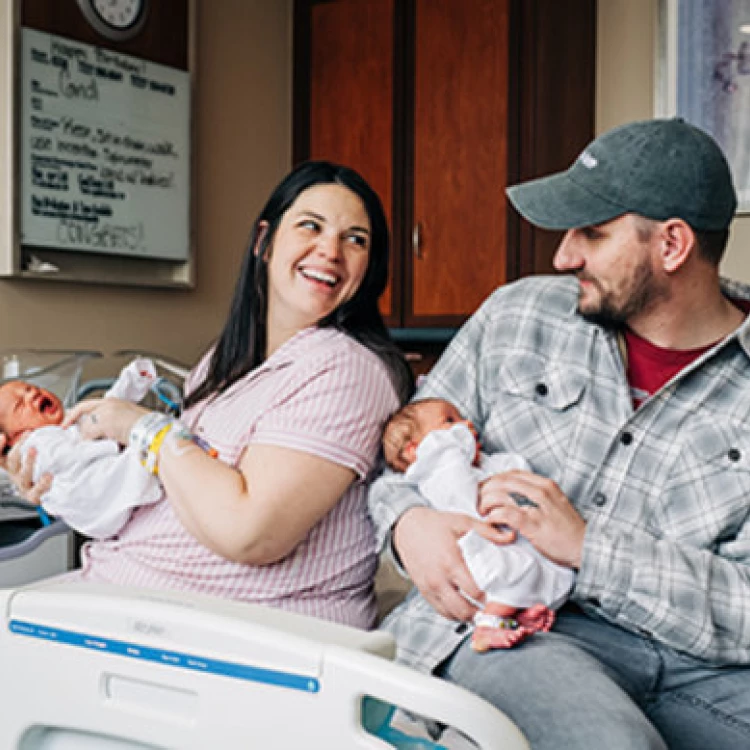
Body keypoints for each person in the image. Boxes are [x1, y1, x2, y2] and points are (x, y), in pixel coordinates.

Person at [368, 118, 750, 749]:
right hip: (522, 635)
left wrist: (588, 547)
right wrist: (408, 528)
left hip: (697, 663)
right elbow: (402, 452)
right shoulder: (517, 316)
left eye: (592, 233)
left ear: (673, 245)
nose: (563, 255)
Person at [4, 161, 413, 629]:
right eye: (310, 226)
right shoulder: (224, 362)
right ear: (264, 242)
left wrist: (138, 426)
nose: (330, 251)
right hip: (137, 596)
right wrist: (67, 478)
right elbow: (175, 491)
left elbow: (249, 532)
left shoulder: (347, 368)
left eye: (355, 239)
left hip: (239, 630)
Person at [382, 397, 573, 650]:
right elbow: (459, 484)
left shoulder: (475, 463)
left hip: (499, 538)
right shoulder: (438, 468)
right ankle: (487, 626)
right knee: (513, 572)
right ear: (414, 450)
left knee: (532, 572)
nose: (466, 423)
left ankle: (511, 618)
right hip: (471, 547)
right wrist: (458, 440)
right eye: (449, 420)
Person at [0, 359, 192, 538]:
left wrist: (130, 383)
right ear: (14, 437)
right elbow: (70, 454)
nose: (32, 394)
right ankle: (169, 454)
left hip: (106, 492)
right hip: (93, 500)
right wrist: (111, 444)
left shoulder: (64, 424)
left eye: (32, 388)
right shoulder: (34, 446)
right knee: (146, 454)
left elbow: (107, 411)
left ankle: (165, 456)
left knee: (118, 432)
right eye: (19, 405)